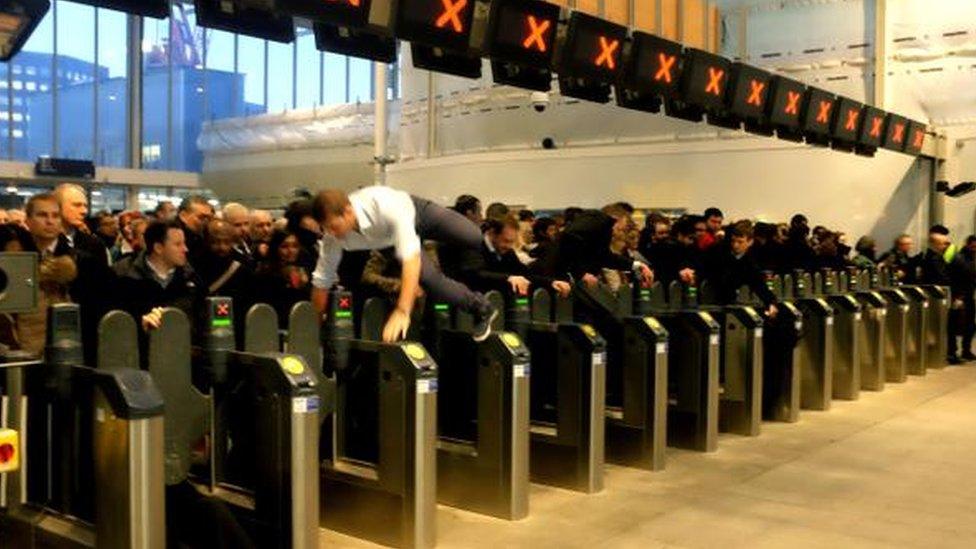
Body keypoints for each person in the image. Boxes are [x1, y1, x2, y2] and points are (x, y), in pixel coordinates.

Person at [311, 187, 497, 342]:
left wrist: (402, 310)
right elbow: (321, 282)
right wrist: (317, 324)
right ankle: (481, 308)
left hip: (418, 213)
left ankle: (433, 247)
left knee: (474, 237)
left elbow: (411, 260)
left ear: (348, 211)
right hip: (390, 242)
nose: (332, 233)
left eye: (334, 227)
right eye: (326, 228)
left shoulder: (384, 207)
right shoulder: (332, 238)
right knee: (430, 280)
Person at [11, 194, 77, 355]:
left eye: (55, 216)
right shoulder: (14, 258)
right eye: (42, 215)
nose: (50, 221)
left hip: (69, 347)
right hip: (25, 349)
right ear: (27, 220)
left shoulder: (81, 259)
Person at [533, 204, 653, 289]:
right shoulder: (601, 220)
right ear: (617, 219)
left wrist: (636, 265)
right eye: (624, 224)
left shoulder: (600, 230)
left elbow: (604, 257)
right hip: (557, 276)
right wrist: (580, 273)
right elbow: (569, 236)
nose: (624, 230)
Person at [447, 215, 571, 298]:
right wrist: (509, 278)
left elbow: (525, 275)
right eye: (506, 241)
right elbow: (475, 274)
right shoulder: (472, 244)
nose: (509, 246)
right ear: (491, 233)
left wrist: (551, 283)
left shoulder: (507, 252)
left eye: (512, 242)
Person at [114, 220, 200, 333]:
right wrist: (140, 325)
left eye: (184, 243)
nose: (185, 249)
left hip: (181, 346)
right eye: (178, 244)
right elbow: (114, 322)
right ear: (158, 248)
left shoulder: (191, 278)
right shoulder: (123, 274)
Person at [701, 221, 778, 317]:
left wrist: (771, 303)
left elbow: (759, 284)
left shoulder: (749, 262)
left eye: (740, 242)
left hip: (725, 303)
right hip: (709, 301)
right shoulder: (718, 253)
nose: (735, 245)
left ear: (750, 242)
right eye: (733, 241)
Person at [255, 230, 313, 327]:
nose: (291, 251)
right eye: (284, 247)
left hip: (301, 324)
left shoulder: (303, 271)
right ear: (275, 248)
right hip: (274, 326)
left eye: (295, 246)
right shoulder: (266, 273)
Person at [953, 235, 976, 362]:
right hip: (962, 295)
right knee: (959, 324)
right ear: (968, 244)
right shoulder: (960, 258)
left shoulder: (971, 257)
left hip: (969, 295)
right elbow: (958, 278)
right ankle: (956, 352)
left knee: (970, 325)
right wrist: (959, 296)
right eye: (973, 246)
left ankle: (966, 350)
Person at [176, 195, 214, 267]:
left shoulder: (205, 236)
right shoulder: (171, 237)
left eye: (209, 218)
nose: (206, 222)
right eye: (201, 217)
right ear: (183, 216)